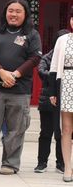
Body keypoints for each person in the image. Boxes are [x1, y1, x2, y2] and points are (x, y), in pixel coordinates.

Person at [0, 0, 42, 175]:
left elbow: (35, 58)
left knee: (16, 128)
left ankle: (10, 163)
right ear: (5, 12)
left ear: (25, 14)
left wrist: (15, 74)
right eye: (11, 10)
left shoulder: (32, 34)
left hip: (20, 89)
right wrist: (1, 71)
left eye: (18, 11)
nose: (14, 14)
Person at [35, 29, 69, 174]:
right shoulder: (48, 57)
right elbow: (41, 71)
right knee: (46, 132)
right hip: (47, 99)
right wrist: (59, 76)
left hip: (65, 97)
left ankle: (61, 163)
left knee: (61, 133)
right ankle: (42, 162)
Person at [50, 10, 73, 182]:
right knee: (66, 128)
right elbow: (53, 68)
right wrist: (53, 92)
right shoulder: (63, 40)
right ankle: (67, 168)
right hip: (67, 83)